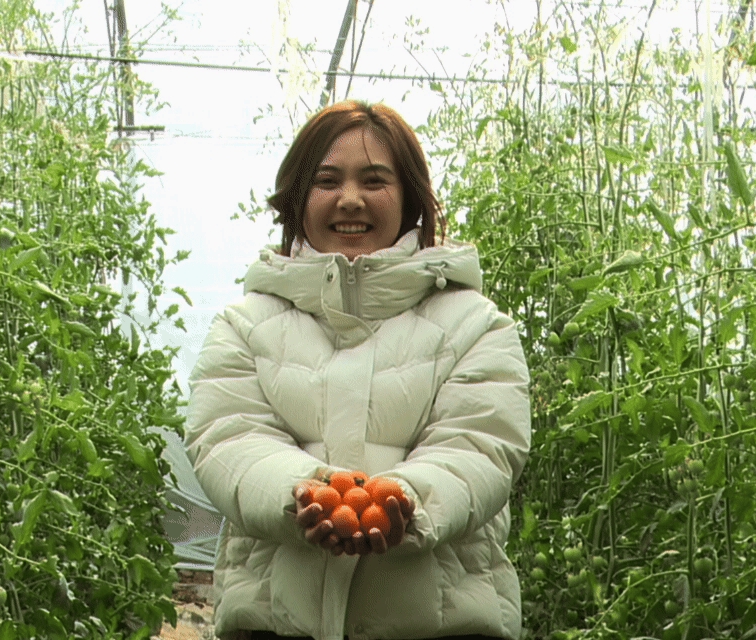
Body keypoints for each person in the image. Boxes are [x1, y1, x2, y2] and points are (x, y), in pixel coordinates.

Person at [184, 100, 531, 640]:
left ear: (410, 198)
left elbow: (479, 445)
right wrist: (306, 494)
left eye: (374, 180)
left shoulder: (475, 325)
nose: (350, 199)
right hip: (276, 623)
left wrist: (404, 503)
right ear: (298, 199)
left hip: (441, 626)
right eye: (327, 181)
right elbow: (229, 437)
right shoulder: (245, 325)